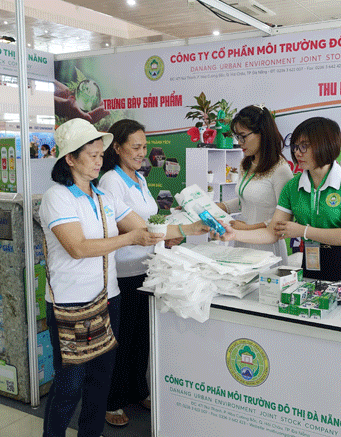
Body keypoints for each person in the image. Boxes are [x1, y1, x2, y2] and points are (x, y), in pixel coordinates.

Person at [40, 118, 206, 437]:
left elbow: (144, 229)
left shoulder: (103, 198)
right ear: (69, 158)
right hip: (71, 303)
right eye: (90, 154)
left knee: (100, 381)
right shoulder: (57, 197)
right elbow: (78, 247)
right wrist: (129, 240)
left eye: (100, 154)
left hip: (108, 297)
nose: (98, 160)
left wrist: (192, 228)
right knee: (70, 385)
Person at [217, 117, 341, 283]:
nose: (297, 152)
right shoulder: (293, 186)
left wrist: (302, 231)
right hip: (312, 262)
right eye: (295, 147)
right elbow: (271, 233)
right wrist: (234, 235)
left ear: (326, 144)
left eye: (304, 146)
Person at [98, 119, 159, 427]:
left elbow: (148, 221)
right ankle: (113, 401)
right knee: (121, 340)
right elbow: (130, 225)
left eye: (144, 146)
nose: (141, 152)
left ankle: (137, 390)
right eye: (135, 147)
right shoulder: (112, 181)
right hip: (123, 272)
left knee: (141, 337)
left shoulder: (139, 178)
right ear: (118, 148)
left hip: (146, 268)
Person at [215, 105, 293, 263]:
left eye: (243, 136)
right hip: (241, 241)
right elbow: (247, 198)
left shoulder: (280, 170)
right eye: (237, 137)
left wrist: (247, 228)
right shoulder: (246, 163)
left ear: (262, 133)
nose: (239, 142)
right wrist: (220, 206)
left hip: (266, 247)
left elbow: (285, 217)